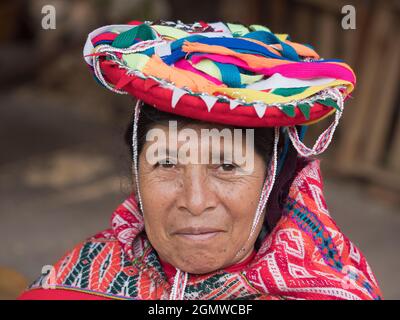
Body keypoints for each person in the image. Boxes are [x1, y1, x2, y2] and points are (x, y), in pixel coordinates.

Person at [19, 20, 382, 300]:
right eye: (166, 164)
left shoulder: (335, 286)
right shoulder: (67, 285)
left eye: (226, 166)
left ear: (272, 179)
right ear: (136, 174)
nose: (194, 201)